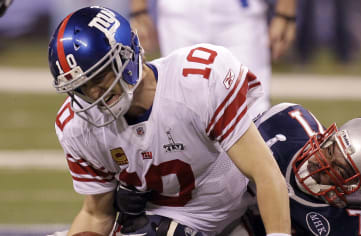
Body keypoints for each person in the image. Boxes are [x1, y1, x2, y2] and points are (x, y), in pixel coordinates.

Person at [48, 6, 291, 236]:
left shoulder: (196, 81)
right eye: (81, 87)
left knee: (301, 148)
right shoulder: (77, 125)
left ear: (126, 55)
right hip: (164, 223)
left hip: (240, 203)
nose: (92, 94)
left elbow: (265, 173)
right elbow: (95, 213)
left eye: (99, 76)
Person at [244, 102, 361, 235]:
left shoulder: (359, 226)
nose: (320, 162)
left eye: (339, 170)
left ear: (359, 193)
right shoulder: (286, 122)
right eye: (330, 149)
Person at [130, 0, 297, 117]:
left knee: (253, 108)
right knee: (181, 108)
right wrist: (138, 8)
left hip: (240, 13)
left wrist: (285, 11)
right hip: (180, 11)